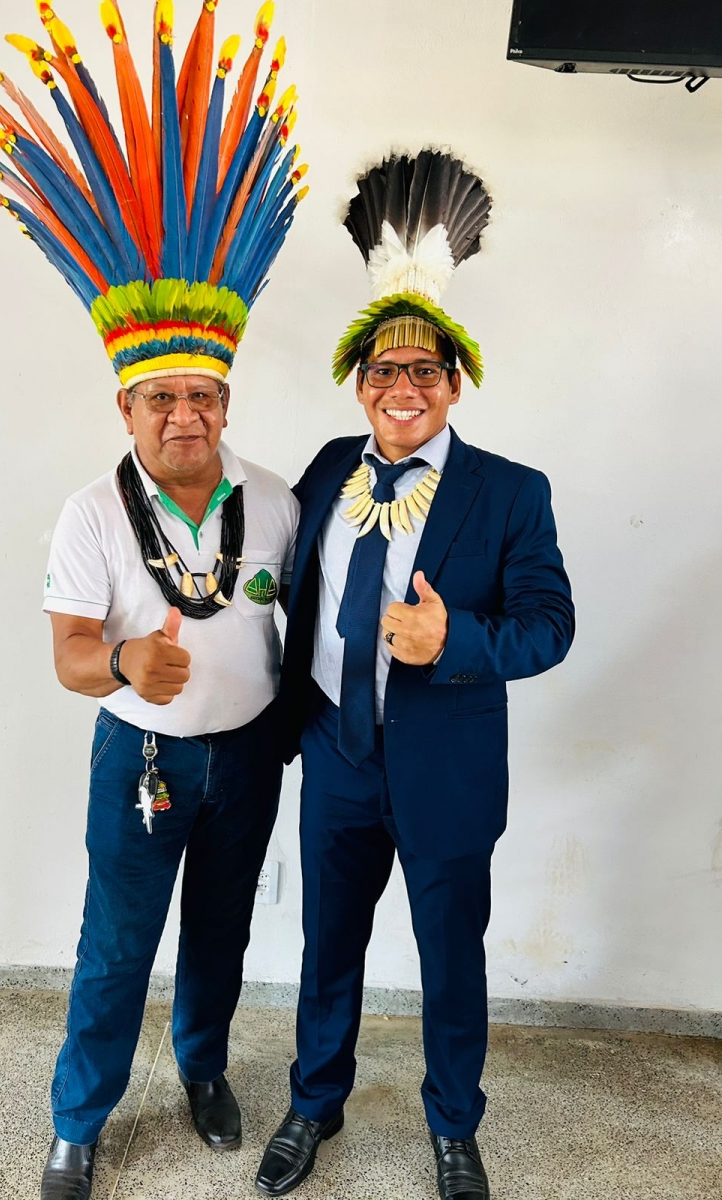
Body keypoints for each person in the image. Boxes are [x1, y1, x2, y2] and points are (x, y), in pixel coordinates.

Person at [0, 3, 306, 1197]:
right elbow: (68, 652)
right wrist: (123, 666)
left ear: (227, 401)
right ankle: (79, 1121)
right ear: (127, 408)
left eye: (202, 395)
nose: (183, 414)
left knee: (221, 935)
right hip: (143, 761)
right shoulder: (90, 514)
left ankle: (203, 1071)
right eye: (160, 398)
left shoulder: (278, 501)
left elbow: (304, 618)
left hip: (248, 758)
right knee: (116, 948)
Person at [256, 151, 575, 1200]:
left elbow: (551, 627)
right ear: (361, 382)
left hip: (447, 770)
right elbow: (289, 584)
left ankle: (453, 1127)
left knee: (450, 961)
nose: (403, 389)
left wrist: (458, 642)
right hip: (337, 759)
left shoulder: (512, 493)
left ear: (454, 383)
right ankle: (314, 1104)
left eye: (425, 373)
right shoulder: (324, 470)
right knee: (327, 949)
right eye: (385, 372)